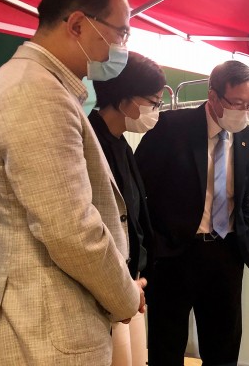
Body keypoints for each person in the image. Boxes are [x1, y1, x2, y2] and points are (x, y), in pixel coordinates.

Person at [0, 0, 144, 365]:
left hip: (40, 328)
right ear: (78, 24)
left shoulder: (38, 86)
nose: (121, 47)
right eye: (120, 33)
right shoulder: (35, 93)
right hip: (40, 337)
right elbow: (69, 228)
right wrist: (126, 294)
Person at [135, 60, 249, 366]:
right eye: (237, 103)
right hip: (175, 255)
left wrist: (243, 238)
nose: (244, 111)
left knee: (223, 348)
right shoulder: (170, 127)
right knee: (167, 347)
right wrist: (151, 248)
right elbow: (138, 191)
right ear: (213, 95)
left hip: (226, 254)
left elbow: (244, 198)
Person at [90, 51, 166, 366]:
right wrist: (120, 286)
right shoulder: (90, 143)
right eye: (153, 102)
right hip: (107, 288)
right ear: (124, 101)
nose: (156, 111)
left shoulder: (121, 143)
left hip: (133, 284)